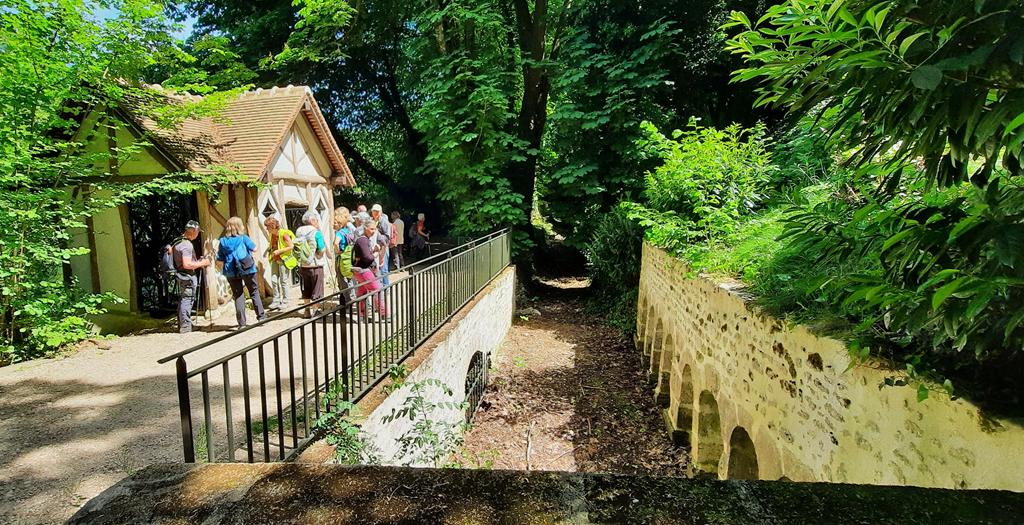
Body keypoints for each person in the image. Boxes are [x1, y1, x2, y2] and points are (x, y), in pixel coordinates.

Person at [216, 216, 266, 327]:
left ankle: (242, 323)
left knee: (238, 295)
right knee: (254, 291)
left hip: (231, 271)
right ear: (239, 226)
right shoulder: (243, 238)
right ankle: (261, 317)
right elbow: (255, 248)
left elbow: (220, 258)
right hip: (247, 268)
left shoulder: (223, 241)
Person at [172, 220, 210, 334]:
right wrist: (202, 263)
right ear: (193, 231)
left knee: (184, 299)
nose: (198, 234)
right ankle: (185, 327)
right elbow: (187, 264)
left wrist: (197, 262)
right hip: (187, 276)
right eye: (198, 232)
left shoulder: (177, 241)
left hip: (181, 275)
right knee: (187, 300)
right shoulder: (186, 245)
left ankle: (184, 324)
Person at [352, 219, 388, 321]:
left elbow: (365, 254)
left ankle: (361, 315)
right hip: (364, 270)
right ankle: (384, 314)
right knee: (377, 290)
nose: (373, 231)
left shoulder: (364, 240)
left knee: (362, 293)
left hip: (360, 270)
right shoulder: (363, 240)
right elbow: (367, 258)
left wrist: (373, 250)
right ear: (365, 228)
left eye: (374, 229)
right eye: (371, 229)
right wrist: (376, 253)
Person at [294, 209, 326, 317]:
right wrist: (319, 254)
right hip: (315, 265)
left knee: (306, 287)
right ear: (312, 220)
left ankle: (307, 310)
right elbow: (322, 248)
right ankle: (316, 310)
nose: (317, 222)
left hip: (303, 265)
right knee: (317, 287)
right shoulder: (316, 232)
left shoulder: (298, 231)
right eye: (316, 220)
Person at [264, 215, 296, 310]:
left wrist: (279, 251)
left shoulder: (283, 234)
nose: (266, 229)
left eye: (267, 227)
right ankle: (276, 300)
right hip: (275, 259)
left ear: (273, 226)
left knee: (283, 281)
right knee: (274, 280)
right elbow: (273, 245)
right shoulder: (272, 235)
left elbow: (291, 246)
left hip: (284, 260)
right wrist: (268, 250)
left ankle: (286, 301)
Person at [333, 207, 356, 304]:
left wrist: (337, 251)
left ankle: (347, 301)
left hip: (341, 259)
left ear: (339, 223)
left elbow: (336, 243)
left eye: (335, 222)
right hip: (348, 258)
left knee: (341, 280)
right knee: (350, 278)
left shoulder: (339, 233)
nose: (333, 224)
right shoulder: (347, 231)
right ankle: (353, 298)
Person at [370, 204, 392, 285]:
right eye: (374, 211)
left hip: (383, 247)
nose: (375, 213)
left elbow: (387, 237)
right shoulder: (371, 221)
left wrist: (378, 239)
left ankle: (385, 288)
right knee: (375, 268)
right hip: (373, 248)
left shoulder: (384, 222)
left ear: (381, 212)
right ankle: (378, 287)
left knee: (383, 268)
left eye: (377, 211)